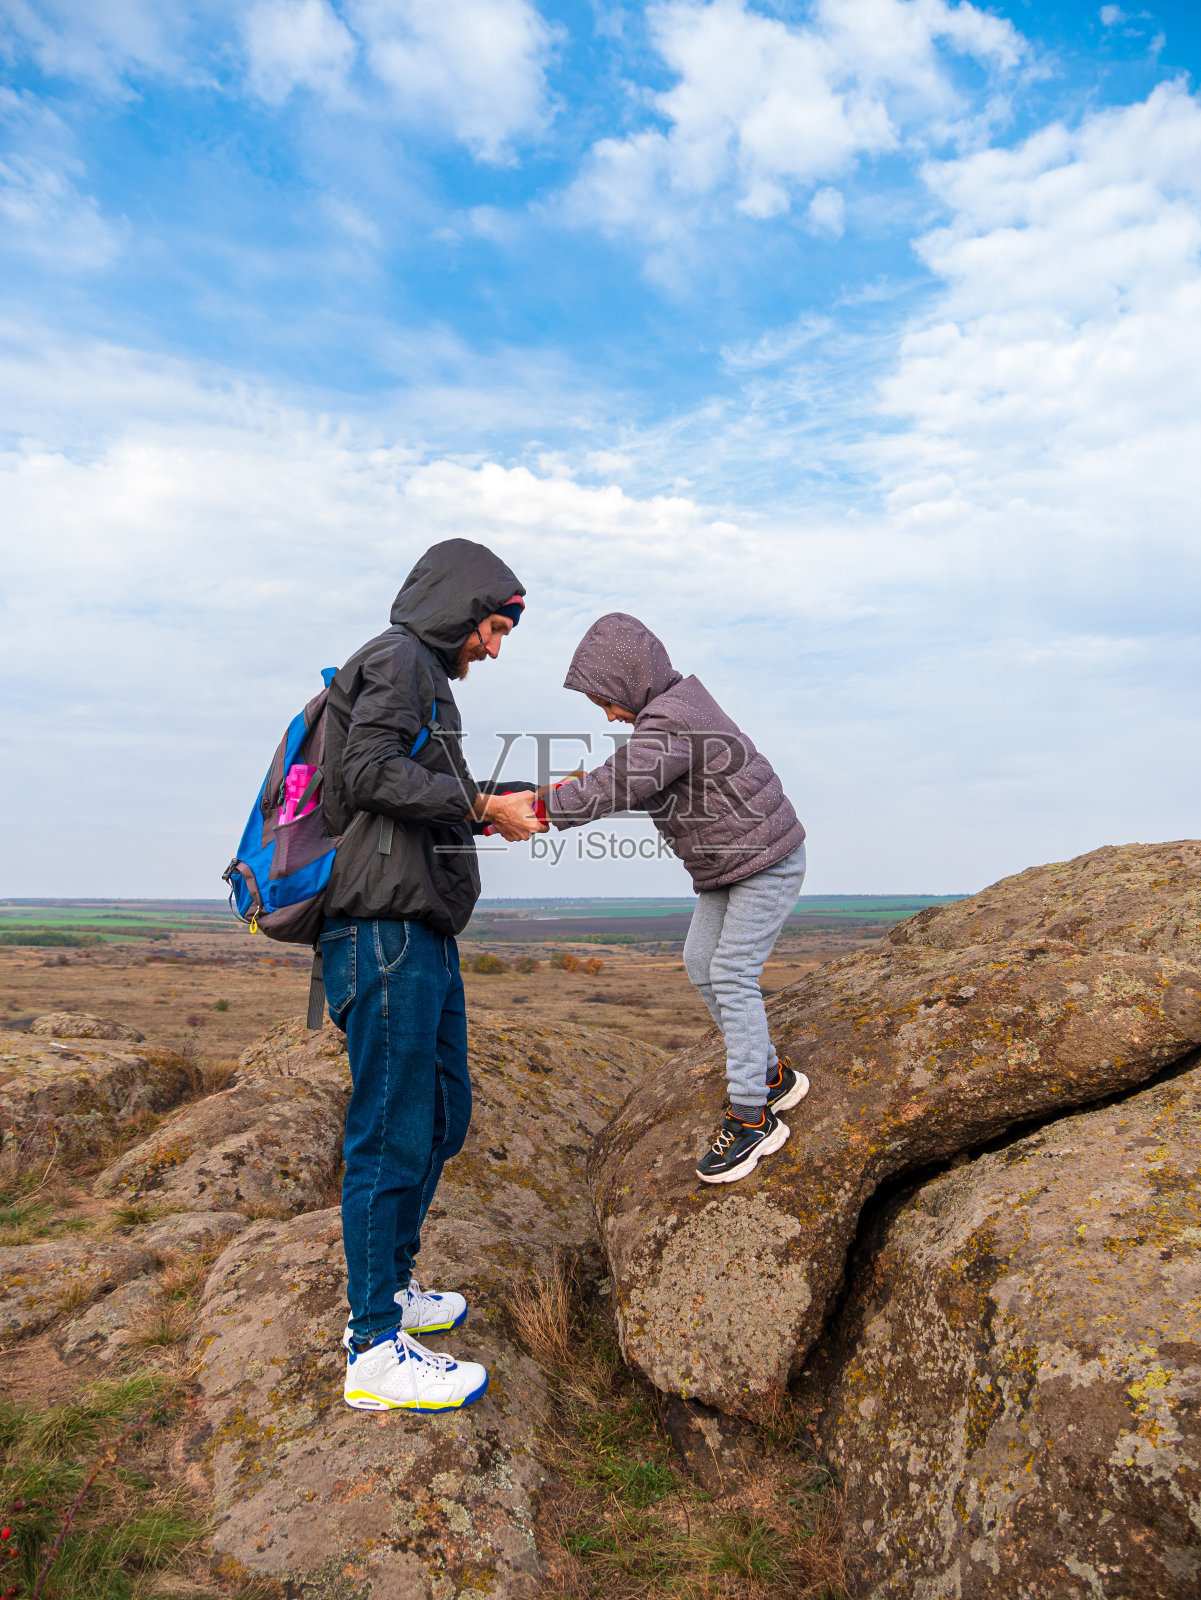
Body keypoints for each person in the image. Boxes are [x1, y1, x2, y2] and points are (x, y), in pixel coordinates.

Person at [320, 538, 544, 1412]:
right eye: (492, 627)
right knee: (390, 1129)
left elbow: (419, 789)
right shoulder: (397, 659)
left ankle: (397, 1286)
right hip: (380, 931)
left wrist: (504, 805)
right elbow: (367, 773)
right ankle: (372, 1346)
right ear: (457, 608)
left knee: (442, 1112)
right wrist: (480, 804)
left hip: (418, 928)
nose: (494, 647)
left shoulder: (424, 677)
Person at [542, 612, 808, 1184]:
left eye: (607, 702)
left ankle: (752, 1117)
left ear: (630, 680)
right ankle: (772, 1077)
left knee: (732, 971)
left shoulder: (672, 722)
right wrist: (565, 793)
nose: (611, 715)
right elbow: (629, 774)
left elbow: (622, 781)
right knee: (699, 962)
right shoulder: (671, 715)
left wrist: (547, 810)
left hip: (765, 864)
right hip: (733, 866)